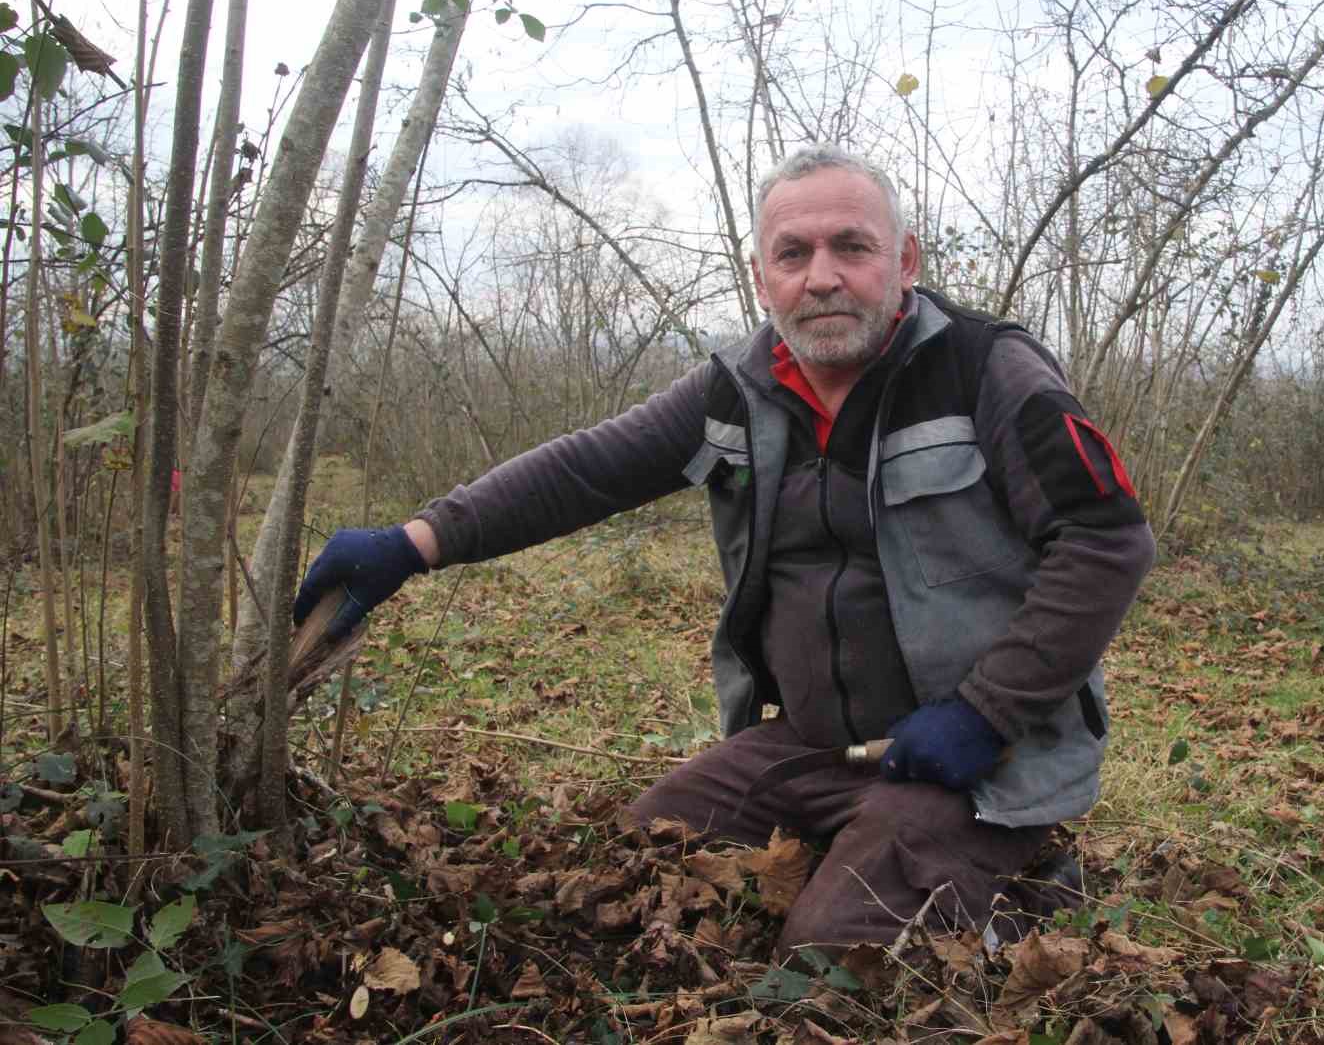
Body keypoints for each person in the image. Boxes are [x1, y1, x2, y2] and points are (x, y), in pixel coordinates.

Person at [294, 144, 1155, 954]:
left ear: (906, 262)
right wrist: (413, 543)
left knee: (832, 952)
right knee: (644, 859)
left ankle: (1031, 888)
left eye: (852, 247)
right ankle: (861, 845)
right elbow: (589, 469)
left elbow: (1106, 540)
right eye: (794, 253)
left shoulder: (987, 372)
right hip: (821, 745)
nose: (823, 277)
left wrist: (985, 713)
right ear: (761, 276)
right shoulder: (740, 390)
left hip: (980, 758)